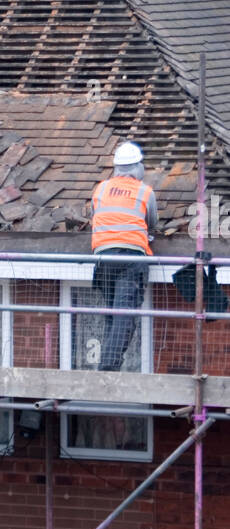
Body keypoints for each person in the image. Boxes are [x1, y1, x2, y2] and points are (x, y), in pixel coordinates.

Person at [90, 141, 157, 370]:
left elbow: (97, 215)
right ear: (138, 167)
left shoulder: (100, 189)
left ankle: (107, 366)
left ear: (116, 167)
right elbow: (152, 223)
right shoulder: (145, 191)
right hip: (131, 258)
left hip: (103, 257)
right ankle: (108, 369)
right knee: (124, 317)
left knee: (112, 314)